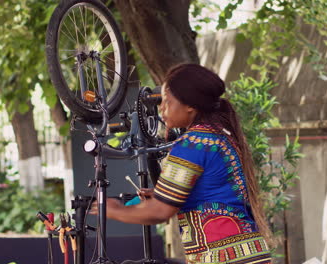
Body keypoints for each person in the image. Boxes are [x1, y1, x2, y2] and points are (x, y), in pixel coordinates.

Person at [91, 64, 272, 263]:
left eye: (167, 101)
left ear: (190, 105)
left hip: (224, 256)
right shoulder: (218, 136)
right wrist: (167, 194)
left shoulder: (192, 144)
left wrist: (115, 210)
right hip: (246, 253)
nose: (161, 108)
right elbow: (212, 192)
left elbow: (161, 211)